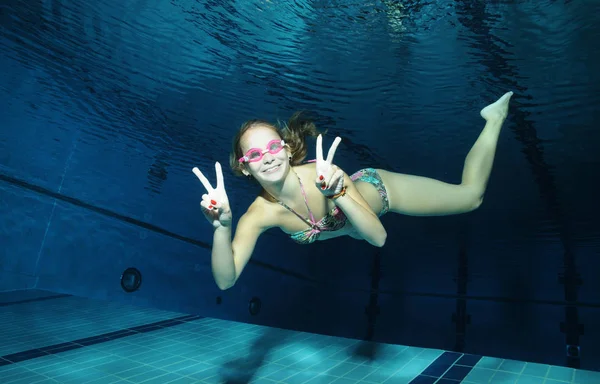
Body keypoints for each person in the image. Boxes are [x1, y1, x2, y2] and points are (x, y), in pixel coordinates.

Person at [193, 91, 513, 290]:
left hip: (382, 192)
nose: (268, 156)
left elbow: (378, 238)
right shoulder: (258, 215)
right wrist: (222, 228)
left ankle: (493, 119)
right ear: (245, 167)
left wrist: (340, 193)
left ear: (288, 149)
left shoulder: (326, 175)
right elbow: (226, 280)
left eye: (274, 145)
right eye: (255, 154)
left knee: (471, 197)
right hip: (353, 229)